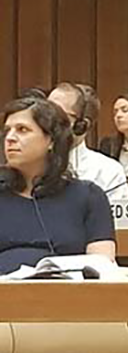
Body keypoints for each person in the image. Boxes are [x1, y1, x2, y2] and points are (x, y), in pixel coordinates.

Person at [0, 95, 115, 273]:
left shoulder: (88, 196)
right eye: (7, 130)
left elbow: (101, 267)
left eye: (22, 130)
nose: (10, 138)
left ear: (51, 140)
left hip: (68, 296)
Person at [47, 82, 128, 199]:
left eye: (57, 114)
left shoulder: (108, 172)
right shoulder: (27, 164)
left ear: (81, 126)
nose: (46, 120)